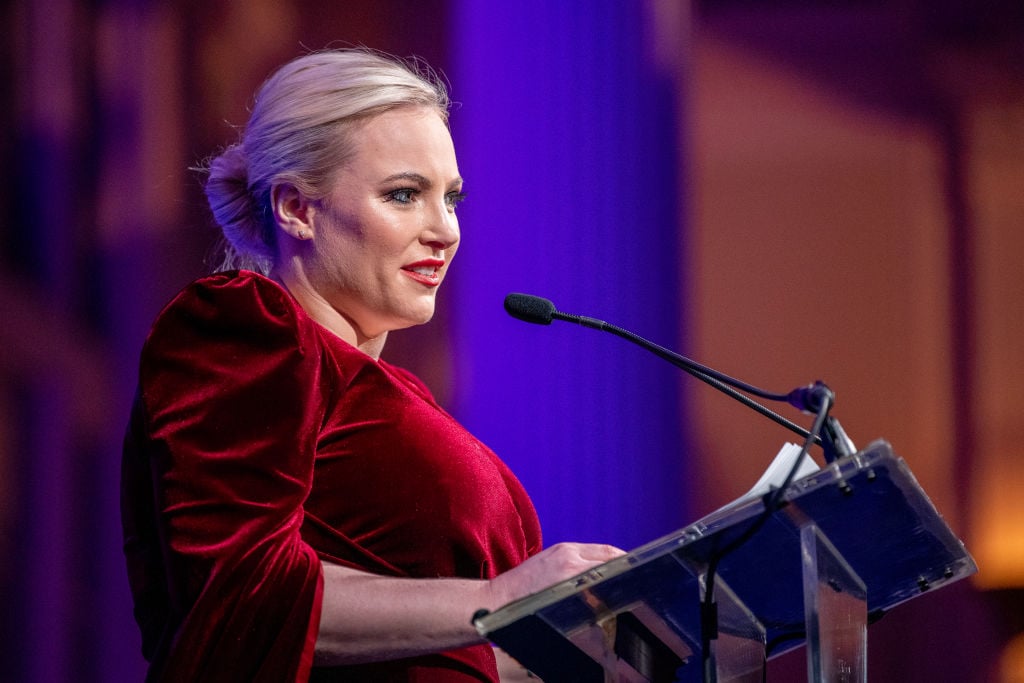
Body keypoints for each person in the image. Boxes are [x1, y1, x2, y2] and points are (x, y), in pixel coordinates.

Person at [120, 48, 622, 682]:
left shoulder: (389, 391)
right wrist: (504, 598)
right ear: (296, 209)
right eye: (405, 195)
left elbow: (427, 655)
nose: (446, 230)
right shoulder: (244, 328)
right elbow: (244, 594)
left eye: (452, 198)